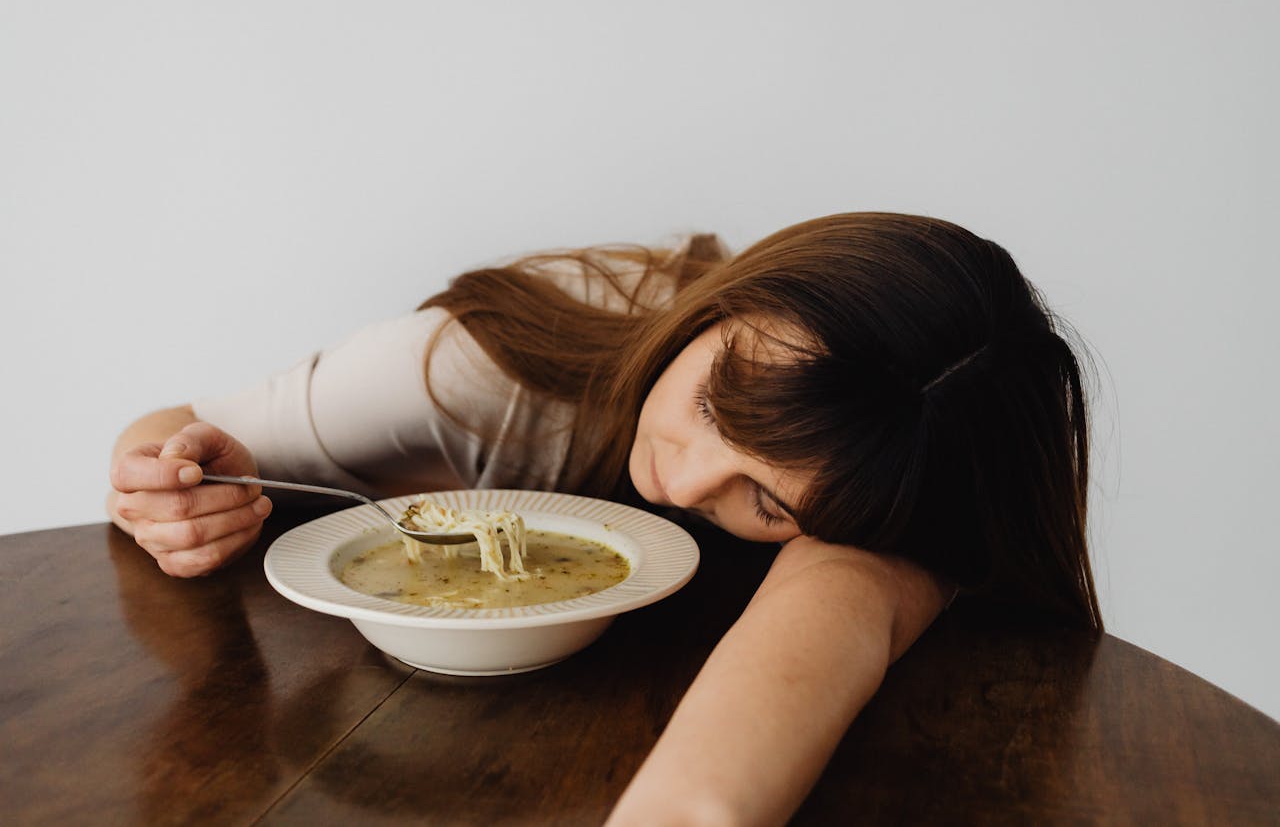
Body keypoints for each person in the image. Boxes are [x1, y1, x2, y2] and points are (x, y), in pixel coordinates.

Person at [107, 211, 1102, 825]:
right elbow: (170, 432)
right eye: (716, 401)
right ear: (732, 300)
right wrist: (167, 488)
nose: (686, 478)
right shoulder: (470, 371)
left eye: (765, 501)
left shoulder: (878, 491)